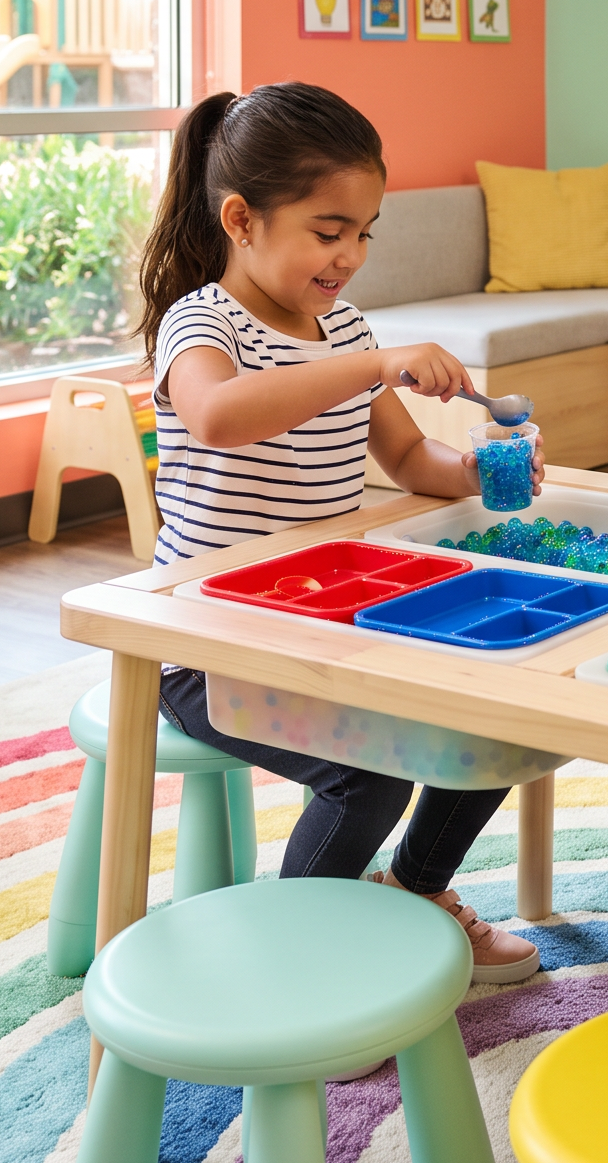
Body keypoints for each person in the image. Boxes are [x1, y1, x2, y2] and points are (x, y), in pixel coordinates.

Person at [133, 81, 544, 987]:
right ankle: (304, 968)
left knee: (493, 719)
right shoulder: (201, 325)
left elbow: (406, 457)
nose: (350, 255)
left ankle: (411, 890)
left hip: (329, 623)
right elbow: (217, 417)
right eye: (329, 232)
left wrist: (477, 468)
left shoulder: (343, 327)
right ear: (242, 220)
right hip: (208, 650)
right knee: (371, 776)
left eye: (366, 233)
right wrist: (366, 360)